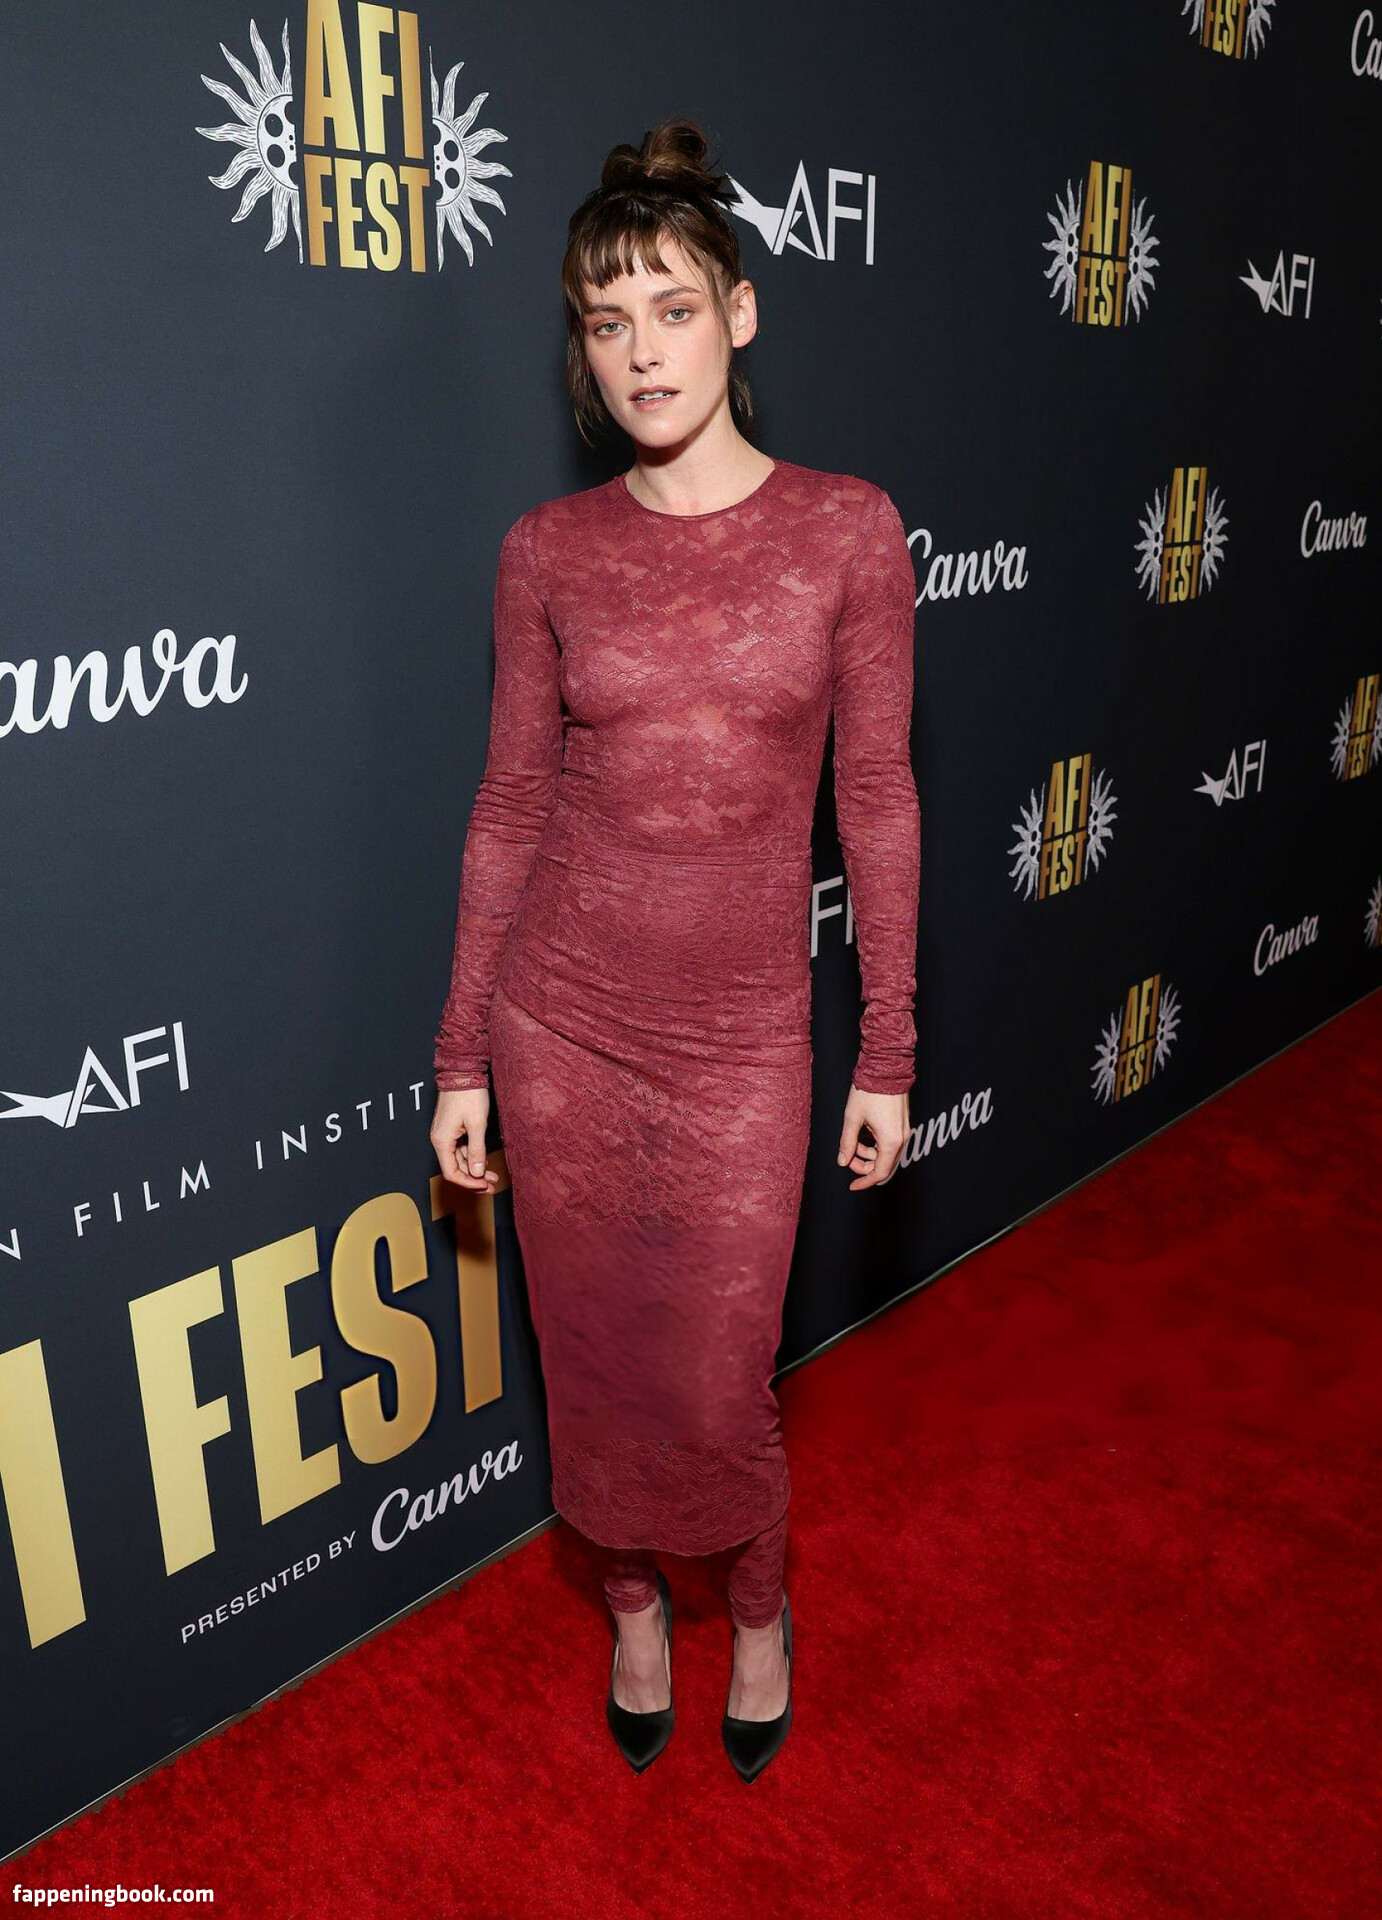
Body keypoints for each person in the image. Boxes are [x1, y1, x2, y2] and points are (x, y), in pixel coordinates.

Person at [429, 116, 920, 1782]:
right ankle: (633, 1605)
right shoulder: (545, 551)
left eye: (673, 309)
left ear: (740, 314)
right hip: (559, 1024)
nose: (641, 352)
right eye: (605, 319)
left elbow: (877, 800)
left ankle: (757, 1610)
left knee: (718, 1380)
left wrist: (889, 1048)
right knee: (588, 1358)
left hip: (738, 1041)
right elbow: (508, 805)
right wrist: (461, 1055)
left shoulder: (847, 530)